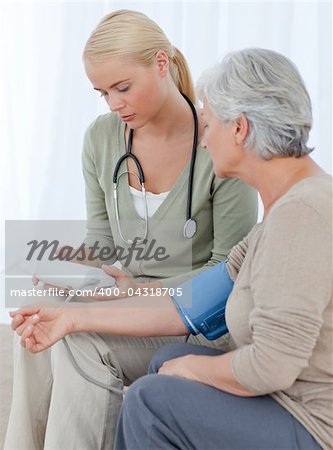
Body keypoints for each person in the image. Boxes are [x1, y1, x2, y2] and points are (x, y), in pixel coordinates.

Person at [9, 48, 332, 450]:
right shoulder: (279, 218)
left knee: (153, 398)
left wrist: (192, 367)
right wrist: (73, 317)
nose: (204, 138)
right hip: (283, 402)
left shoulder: (303, 215)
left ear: (240, 129)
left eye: (209, 123)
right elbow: (190, 303)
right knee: (165, 362)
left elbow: (272, 365)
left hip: (309, 422)